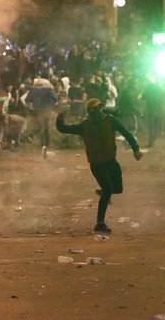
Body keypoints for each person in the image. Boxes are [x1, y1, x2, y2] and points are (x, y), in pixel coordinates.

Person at [56, 98, 143, 233]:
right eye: (94, 108)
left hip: (111, 161)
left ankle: (103, 193)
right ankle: (100, 222)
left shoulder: (109, 120)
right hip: (97, 164)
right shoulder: (84, 126)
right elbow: (62, 128)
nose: (97, 111)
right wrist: (60, 117)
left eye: (98, 107)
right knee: (109, 189)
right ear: (89, 111)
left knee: (118, 189)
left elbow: (126, 133)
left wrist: (135, 149)